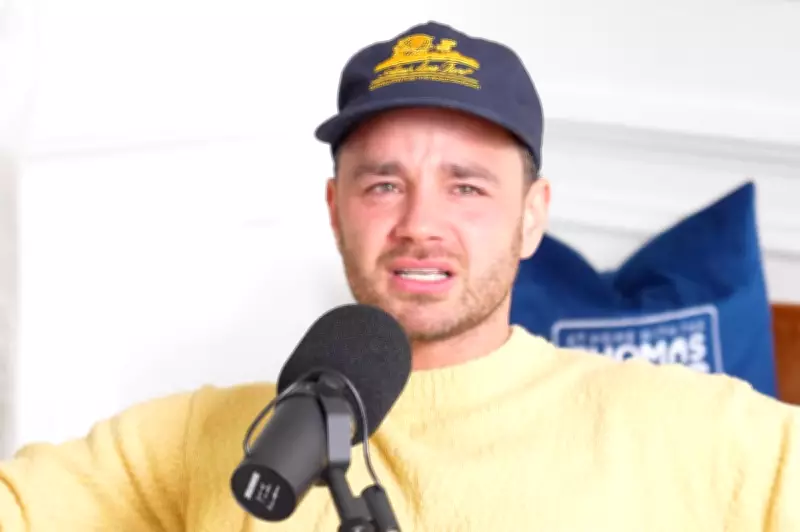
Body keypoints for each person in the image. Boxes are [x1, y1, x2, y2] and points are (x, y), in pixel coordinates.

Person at [1, 20, 798, 532]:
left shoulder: (692, 432)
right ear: (335, 209)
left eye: (466, 188)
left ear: (531, 217)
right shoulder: (208, 438)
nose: (420, 222)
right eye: (383, 185)